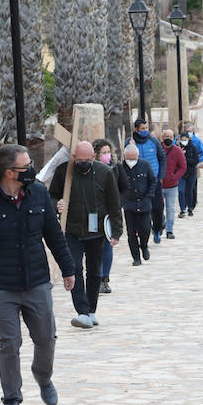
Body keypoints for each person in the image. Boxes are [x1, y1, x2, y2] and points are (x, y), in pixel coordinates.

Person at [0, 143, 77, 405]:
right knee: (9, 343)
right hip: (1, 286)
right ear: (10, 172)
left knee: (46, 338)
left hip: (36, 282)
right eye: (26, 167)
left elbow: (53, 234)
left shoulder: (38, 194)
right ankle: (11, 398)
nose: (32, 171)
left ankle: (43, 377)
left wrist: (68, 268)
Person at [50, 140, 124, 328]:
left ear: (93, 157)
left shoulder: (105, 173)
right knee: (74, 269)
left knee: (94, 271)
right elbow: (51, 196)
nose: (83, 163)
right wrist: (56, 205)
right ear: (74, 157)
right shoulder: (64, 172)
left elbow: (114, 203)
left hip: (96, 231)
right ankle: (81, 311)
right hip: (72, 230)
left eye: (87, 160)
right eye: (79, 159)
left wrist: (116, 231)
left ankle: (91, 310)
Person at [117, 142, 157, 265]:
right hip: (129, 205)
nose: (131, 161)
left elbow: (152, 181)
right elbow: (116, 186)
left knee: (145, 229)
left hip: (144, 203)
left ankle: (144, 246)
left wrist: (149, 196)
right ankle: (136, 258)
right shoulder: (119, 168)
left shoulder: (145, 165)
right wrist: (121, 200)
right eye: (129, 159)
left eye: (133, 158)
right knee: (131, 232)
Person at [130, 118, 166, 243]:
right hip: (139, 183)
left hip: (155, 182)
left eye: (146, 128)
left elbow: (162, 158)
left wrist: (161, 176)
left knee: (158, 208)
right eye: (142, 129)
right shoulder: (130, 143)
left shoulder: (154, 141)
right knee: (143, 210)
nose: (145, 131)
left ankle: (157, 229)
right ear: (136, 129)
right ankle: (144, 233)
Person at [93, 138, 117, 294]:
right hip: (92, 214)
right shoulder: (90, 170)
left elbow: (122, 188)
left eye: (108, 152)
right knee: (94, 247)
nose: (107, 155)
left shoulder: (115, 169)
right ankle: (94, 277)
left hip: (108, 215)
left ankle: (104, 279)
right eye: (104, 153)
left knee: (107, 246)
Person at [160, 127, 187, 239]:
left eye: (171, 137)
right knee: (158, 208)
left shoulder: (177, 151)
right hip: (159, 185)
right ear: (162, 137)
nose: (169, 139)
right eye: (167, 136)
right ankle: (159, 225)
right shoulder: (158, 149)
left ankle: (169, 230)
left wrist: (174, 177)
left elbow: (183, 167)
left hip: (172, 186)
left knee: (170, 208)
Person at [180, 123, 203, 216]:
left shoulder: (197, 142)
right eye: (187, 131)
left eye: (190, 131)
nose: (189, 133)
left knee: (191, 189)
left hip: (192, 169)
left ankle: (191, 206)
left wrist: (198, 161)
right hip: (181, 172)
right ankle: (183, 207)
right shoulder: (178, 143)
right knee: (182, 190)